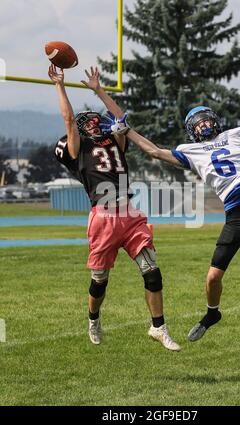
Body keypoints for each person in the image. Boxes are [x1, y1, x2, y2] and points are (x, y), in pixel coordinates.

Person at [101, 106, 240, 342]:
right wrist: (128, 131)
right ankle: (212, 314)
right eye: (197, 124)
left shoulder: (238, 134)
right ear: (191, 132)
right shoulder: (190, 151)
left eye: (205, 121)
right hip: (238, 216)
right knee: (213, 277)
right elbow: (154, 151)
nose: (203, 126)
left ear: (215, 120)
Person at [49, 64, 180, 351]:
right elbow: (69, 119)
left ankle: (158, 327)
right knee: (100, 281)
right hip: (103, 217)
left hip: (130, 214)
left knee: (152, 271)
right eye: (88, 123)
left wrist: (99, 90)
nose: (94, 123)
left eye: (96, 120)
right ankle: (93, 318)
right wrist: (60, 85)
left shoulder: (115, 142)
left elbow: (121, 119)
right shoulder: (78, 149)